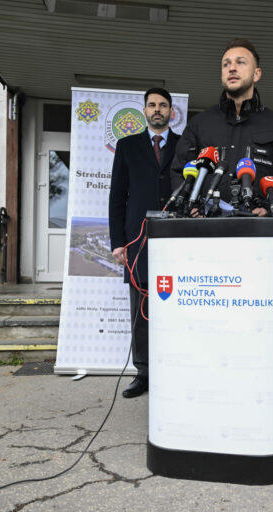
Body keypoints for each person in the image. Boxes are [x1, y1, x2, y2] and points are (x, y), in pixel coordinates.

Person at [171, 38, 273, 215]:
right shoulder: (199, 123)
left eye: (240, 62)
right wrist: (190, 207)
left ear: (256, 74)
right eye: (226, 64)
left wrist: (270, 210)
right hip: (205, 224)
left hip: (257, 226)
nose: (232, 68)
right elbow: (179, 171)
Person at [109, 87, 180, 398]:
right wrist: (118, 242)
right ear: (144, 110)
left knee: (176, 306)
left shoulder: (184, 145)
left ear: (171, 111)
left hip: (177, 241)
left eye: (163, 105)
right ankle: (144, 373)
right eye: (152, 105)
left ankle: (174, 368)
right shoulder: (127, 146)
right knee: (141, 311)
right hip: (138, 242)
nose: (157, 109)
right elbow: (117, 197)